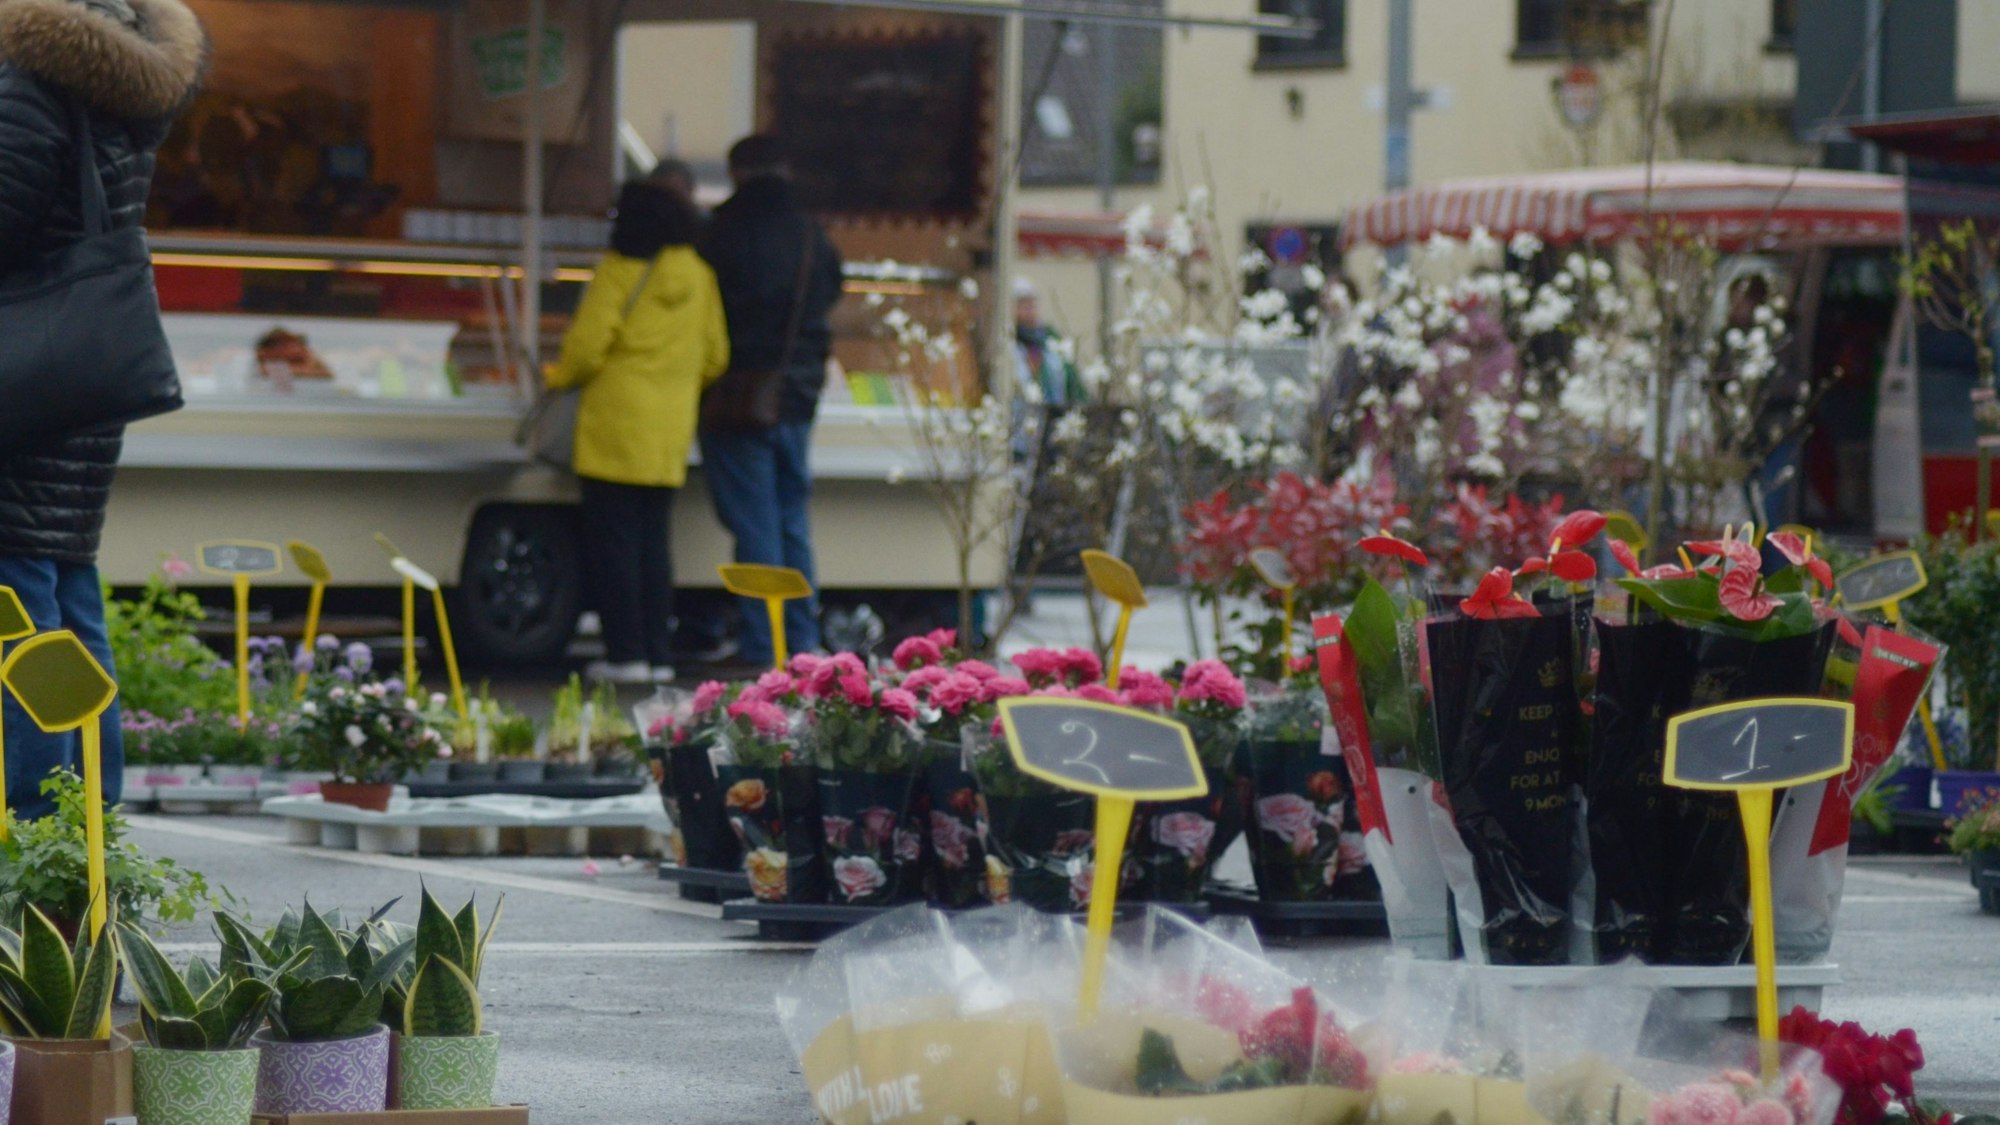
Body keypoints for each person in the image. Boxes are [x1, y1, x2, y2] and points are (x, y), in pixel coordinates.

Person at [0, 0, 205, 817]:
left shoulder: (30, 84)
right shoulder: (123, 85)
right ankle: (88, 814)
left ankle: (39, 815)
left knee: (19, 599)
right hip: (78, 372)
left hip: (24, 380)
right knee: (68, 587)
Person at [552, 180, 729, 684]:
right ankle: (657, 654)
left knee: (614, 545)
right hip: (668, 429)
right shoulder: (699, 275)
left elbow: (586, 350)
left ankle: (625, 654)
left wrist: (554, 380)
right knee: (654, 546)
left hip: (614, 423)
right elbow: (718, 355)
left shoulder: (617, 271)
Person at [697, 134, 844, 666]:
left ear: (738, 173)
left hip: (737, 396)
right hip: (798, 394)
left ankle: (766, 644)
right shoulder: (811, 232)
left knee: (756, 524)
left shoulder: (719, 231)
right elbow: (831, 294)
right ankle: (800, 642)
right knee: (791, 519)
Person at [1013, 278, 1083, 406]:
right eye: (1023, 306)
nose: (1029, 311)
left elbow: (1071, 379)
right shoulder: (1011, 343)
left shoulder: (1051, 340)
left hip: (1056, 411)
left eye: (1032, 305)